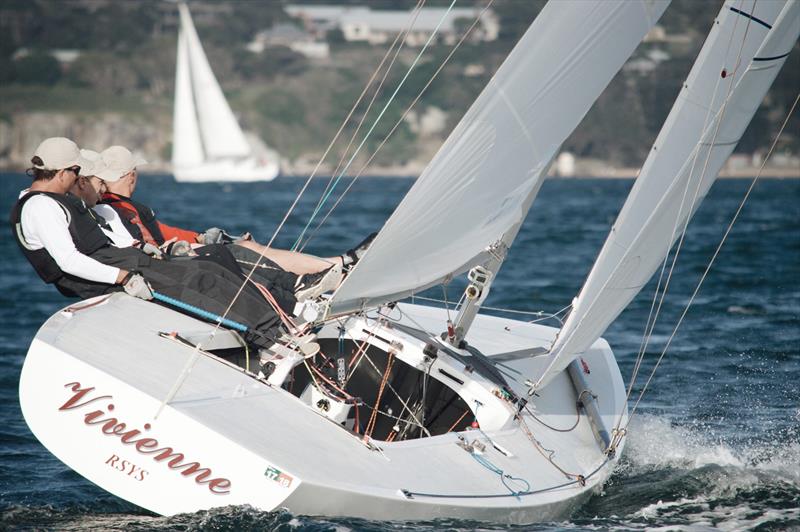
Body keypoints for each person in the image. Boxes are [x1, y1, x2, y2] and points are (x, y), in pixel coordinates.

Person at [9, 137, 294, 350]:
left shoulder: (53, 202)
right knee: (198, 283)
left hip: (118, 260)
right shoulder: (40, 207)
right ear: (62, 173)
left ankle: (276, 324)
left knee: (207, 270)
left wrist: (138, 251)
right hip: (106, 273)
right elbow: (68, 261)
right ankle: (269, 337)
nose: (77, 180)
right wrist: (123, 277)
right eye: (76, 173)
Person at [91, 145, 367, 300]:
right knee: (242, 252)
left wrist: (202, 237)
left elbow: (164, 233)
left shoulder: (120, 207)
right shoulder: (113, 208)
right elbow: (143, 245)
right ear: (131, 175)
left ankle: (335, 266)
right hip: (166, 266)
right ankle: (333, 271)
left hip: (170, 257)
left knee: (245, 246)